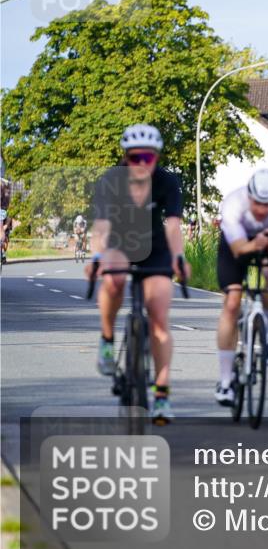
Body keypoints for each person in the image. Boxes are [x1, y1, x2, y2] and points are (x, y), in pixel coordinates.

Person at [84, 124, 190, 424]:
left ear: (156, 158)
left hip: (155, 246)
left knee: (159, 316)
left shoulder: (167, 182)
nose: (142, 163)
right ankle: (106, 339)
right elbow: (102, 226)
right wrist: (97, 257)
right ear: (126, 157)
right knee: (114, 278)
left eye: (148, 157)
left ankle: (161, 395)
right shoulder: (110, 181)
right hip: (120, 241)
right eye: (135, 157)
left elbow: (172, 226)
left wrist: (178, 258)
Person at [213, 168, 268, 406]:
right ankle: (225, 382)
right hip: (235, 247)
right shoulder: (233, 204)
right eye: (258, 203)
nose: (262, 210)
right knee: (232, 301)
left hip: (266, 243)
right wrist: (256, 242)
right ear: (249, 196)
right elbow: (238, 249)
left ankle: (265, 330)